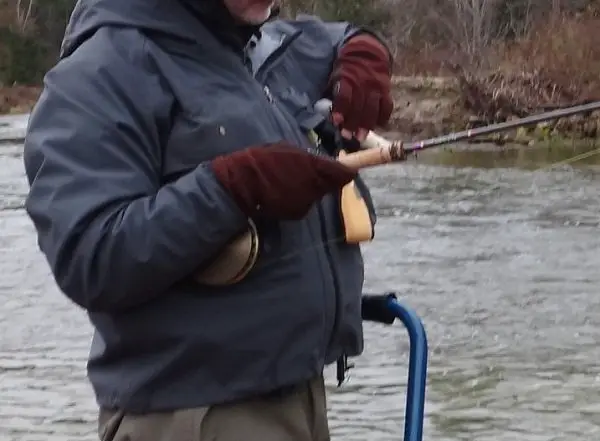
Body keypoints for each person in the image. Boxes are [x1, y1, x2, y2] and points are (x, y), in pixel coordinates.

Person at [22, 0, 400, 439]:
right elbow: (90, 256)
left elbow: (332, 37)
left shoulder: (261, 44)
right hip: (193, 416)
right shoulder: (100, 71)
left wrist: (364, 49)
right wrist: (233, 188)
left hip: (301, 397)